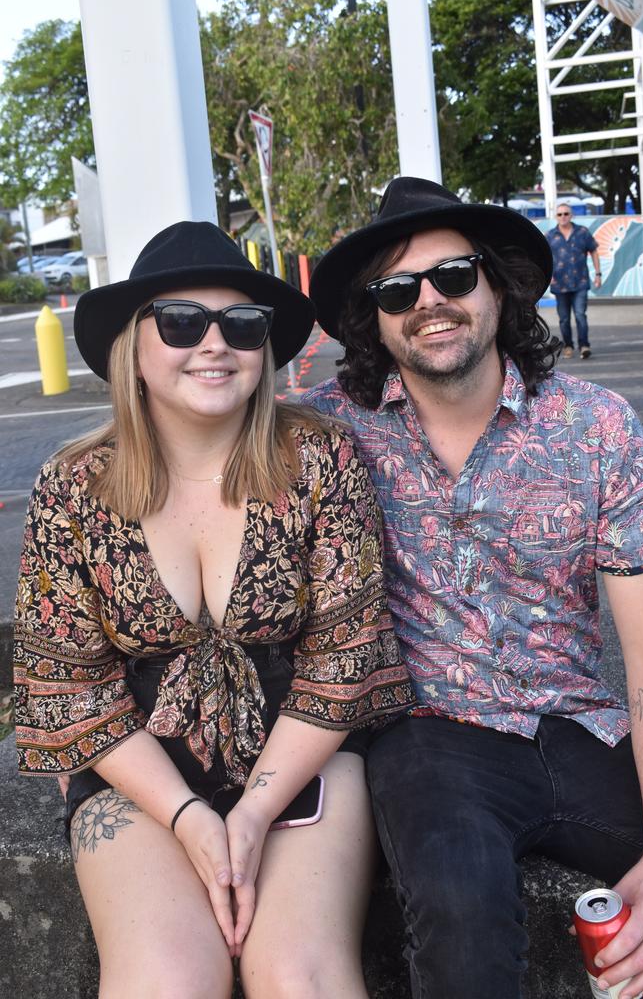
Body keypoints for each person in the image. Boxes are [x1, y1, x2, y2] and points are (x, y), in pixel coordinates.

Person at [13, 221, 413, 999]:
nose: (215, 343)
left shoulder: (319, 461)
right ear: (135, 346)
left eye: (242, 324)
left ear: (264, 347)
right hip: (143, 770)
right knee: (164, 981)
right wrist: (192, 817)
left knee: (301, 978)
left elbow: (347, 657)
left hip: (303, 750)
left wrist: (253, 813)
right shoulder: (73, 487)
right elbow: (67, 688)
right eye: (182, 321)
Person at [303, 177, 643, 999]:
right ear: (373, 320)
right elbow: (201, 429)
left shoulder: (596, 427)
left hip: (580, 725)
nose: (429, 301)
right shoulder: (326, 433)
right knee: (459, 910)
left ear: (495, 282)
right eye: (397, 289)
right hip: (435, 733)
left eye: (453, 275)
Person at [546, 201, 601, 360]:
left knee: (580, 315)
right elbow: (543, 257)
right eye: (560, 214)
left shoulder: (582, 232)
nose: (563, 217)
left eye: (566, 214)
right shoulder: (550, 236)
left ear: (571, 215)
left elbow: (594, 252)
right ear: (556, 217)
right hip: (559, 283)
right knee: (564, 319)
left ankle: (584, 345)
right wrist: (546, 276)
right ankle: (568, 345)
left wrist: (598, 274)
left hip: (580, 282)